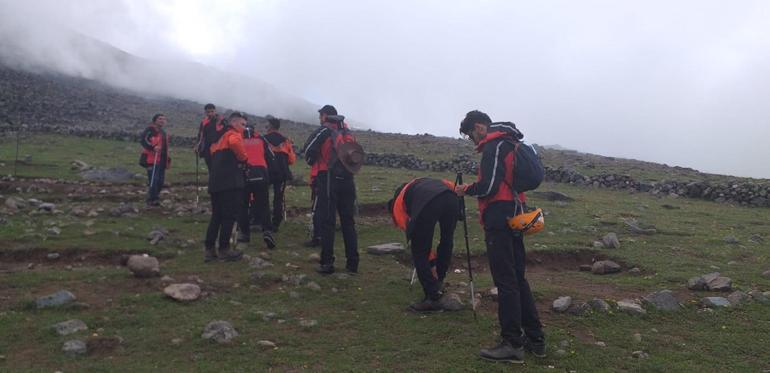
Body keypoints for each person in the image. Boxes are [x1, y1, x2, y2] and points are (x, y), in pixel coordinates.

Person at [454, 110, 545, 363]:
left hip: (499, 218)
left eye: (472, 133)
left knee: (506, 280)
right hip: (515, 215)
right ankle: (535, 338)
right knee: (517, 278)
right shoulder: (511, 142)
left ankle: (512, 343)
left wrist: (466, 189)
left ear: (479, 127)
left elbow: (489, 186)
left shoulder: (495, 146)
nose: (473, 140)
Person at [302, 105, 359, 274]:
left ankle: (327, 263)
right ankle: (352, 264)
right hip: (348, 180)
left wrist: (315, 162)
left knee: (328, 222)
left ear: (325, 116)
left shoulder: (324, 130)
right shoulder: (348, 133)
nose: (320, 118)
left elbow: (308, 150)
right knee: (348, 222)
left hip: (328, 178)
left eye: (321, 116)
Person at [388, 177, 459, 312]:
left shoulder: (398, 204)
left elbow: (415, 237)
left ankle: (433, 297)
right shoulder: (419, 182)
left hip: (429, 203)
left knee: (419, 251)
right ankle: (439, 281)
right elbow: (452, 186)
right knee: (446, 240)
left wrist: (430, 262)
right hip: (451, 198)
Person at [204, 111, 248, 262]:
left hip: (215, 182)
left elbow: (209, 153)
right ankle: (224, 249)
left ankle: (209, 249)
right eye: (242, 124)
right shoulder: (233, 134)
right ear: (234, 123)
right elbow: (236, 144)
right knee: (229, 216)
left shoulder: (218, 139)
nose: (244, 128)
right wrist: (243, 158)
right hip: (230, 182)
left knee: (216, 216)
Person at [237, 123, 277, 249]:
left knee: (243, 205)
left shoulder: (238, 139)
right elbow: (271, 156)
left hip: (244, 173)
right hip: (261, 173)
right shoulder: (261, 139)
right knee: (263, 205)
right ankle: (267, 231)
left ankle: (244, 233)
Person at [263, 115, 296, 232]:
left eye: (267, 125)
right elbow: (291, 159)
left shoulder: (263, 139)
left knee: (263, 196)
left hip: (266, 172)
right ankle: (276, 223)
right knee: (278, 198)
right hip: (281, 173)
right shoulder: (285, 141)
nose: (265, 126)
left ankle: (263, 221)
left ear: (271, 126)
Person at [139, 113, 170, 207]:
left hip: (162, 159)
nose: (162, 120)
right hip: (151, 159)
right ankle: (152, 199)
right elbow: (143, 140)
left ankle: (155, 197)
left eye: (163, 119)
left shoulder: (163, 132)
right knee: (153, 180)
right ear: (155, 120)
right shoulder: (150, 129)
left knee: (160, 181)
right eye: (160, 119)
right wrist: (153, 147)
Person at [196, 103, 225, 169]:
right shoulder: (204, 122)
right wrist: (197, 145)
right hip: (207, 148)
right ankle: (212, 178)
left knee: (218, 167)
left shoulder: (221, 120)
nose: (210, 114)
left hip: (218, 148)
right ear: (205, 112)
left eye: (212, 111)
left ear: (215, 111)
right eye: (208, 112)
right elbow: (200, 135)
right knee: (210, 166)